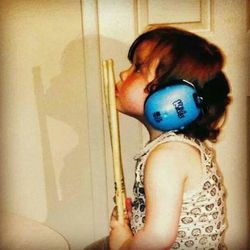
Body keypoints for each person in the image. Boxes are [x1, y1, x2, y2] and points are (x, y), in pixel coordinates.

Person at [108, 26, 231, 250]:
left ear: (175, 98)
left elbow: (158, 239)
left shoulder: (168, 156)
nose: (123, 74)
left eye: (137, 68)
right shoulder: (173, 148)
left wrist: (122, 244)